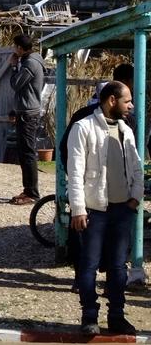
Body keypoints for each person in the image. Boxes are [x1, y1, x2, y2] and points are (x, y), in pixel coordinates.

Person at [67, 81, 143, 335]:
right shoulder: (83, 127)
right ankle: (89, 317)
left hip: (122, 210)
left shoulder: (126, 130)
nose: (131, 105)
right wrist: (77, 208)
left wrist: (134, 198)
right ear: (112, 100)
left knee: (118, 267)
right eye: (127, 100)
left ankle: (117, 316)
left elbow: (136, 167)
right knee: (88, 266)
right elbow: (75, 171)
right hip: (94, 211)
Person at [60, 64, 135, 172]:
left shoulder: (128, 124)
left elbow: (134, 161)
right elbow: (68, 152)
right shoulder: (83, 121)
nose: (130, 106)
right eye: (127, 101)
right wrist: (86, 181)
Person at [8, 34, 45, 205]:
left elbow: (16, 84)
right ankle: (28, 189)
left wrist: (14, 67)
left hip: (29, 114)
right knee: (24, 153)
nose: (14, 50)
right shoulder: (31, 60)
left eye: (15, 47)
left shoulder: (30, 63)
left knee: (28, 153)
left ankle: (32, 193)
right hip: (25, 111)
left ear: (20, 48)